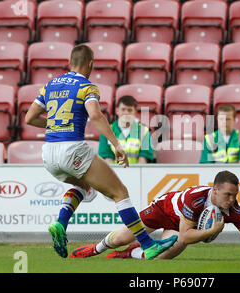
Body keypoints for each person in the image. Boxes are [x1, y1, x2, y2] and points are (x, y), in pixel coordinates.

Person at [24, 44, 177, 259]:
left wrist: (57, 125)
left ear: (70, 63)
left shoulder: (50, 85)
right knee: (120, 193)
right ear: (90, 64)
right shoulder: (87, 86)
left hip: (49, 154)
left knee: (83, 186)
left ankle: (60, 222)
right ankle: (148, 245)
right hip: (72, 149)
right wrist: (116, 144)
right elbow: (95, 115)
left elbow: (29, 118)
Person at [69, 170, 240, 262]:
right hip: (162, 210)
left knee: (162, 257)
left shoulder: (234, 210)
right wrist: (212, 231)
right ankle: (96, 249)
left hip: (180, 225)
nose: (232, 199)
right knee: (121, 238)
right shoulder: (195, 199)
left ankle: (129, 254)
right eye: (227, 194)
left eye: (235, 195)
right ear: (214, 190)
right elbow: (187, 236)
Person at [98, 96, 154, 164]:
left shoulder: (144, 131)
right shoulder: (106, 131)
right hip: (114, 173)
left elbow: (143, 160)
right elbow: (108, 159)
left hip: (136, 173)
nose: (126, 113)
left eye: (130, 110)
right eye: (123, 109)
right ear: (117, 111)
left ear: (135, 112)